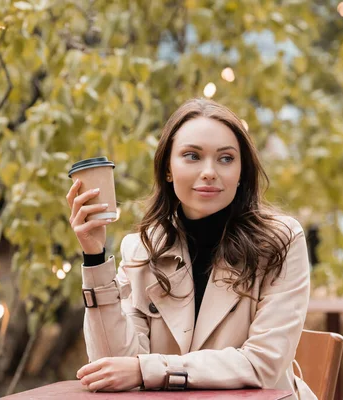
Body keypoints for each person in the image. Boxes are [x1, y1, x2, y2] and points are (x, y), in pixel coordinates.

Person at [66, 98, 317, 398]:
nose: (209, 171)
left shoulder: (280, 241)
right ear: (168, 169)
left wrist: (148, 370)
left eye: (225, 158)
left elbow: (262, 365)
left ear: (241, 173)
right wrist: (94, 257)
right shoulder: (142, 249)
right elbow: (111, 367)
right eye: (192, 156)